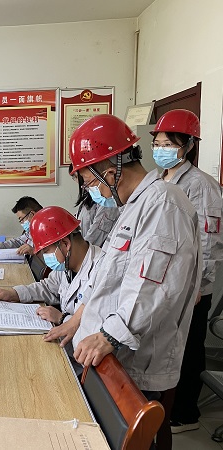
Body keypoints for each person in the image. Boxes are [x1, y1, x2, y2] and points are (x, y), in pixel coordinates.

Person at [69, 114, 201, 450]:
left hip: (131, 361)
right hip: (108, 356)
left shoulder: (164, 205)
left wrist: (109, 335)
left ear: (111, 171)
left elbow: (153, 287)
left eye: (89, 181)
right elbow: (110, 277)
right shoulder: (133, 206)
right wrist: (81, 320)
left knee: (132, 441)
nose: (90, 190)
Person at [149, 109, 223, 434]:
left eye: (168, 144)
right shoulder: (157, 179)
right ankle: (167, 404)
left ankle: (186, 413)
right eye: (157, 143)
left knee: (189, 348)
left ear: (189, 145)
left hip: (192, 288)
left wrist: (197, 285)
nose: (160, 149)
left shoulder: (201, 186)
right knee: (168, 348)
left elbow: (209, 242)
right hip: (163, 281)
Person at [0, 206, 101, 351]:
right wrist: (14, 294)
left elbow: (98, 331)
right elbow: (48, 287)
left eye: (46, 251)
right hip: (66, 344)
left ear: (65, 244)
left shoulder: (103, 271)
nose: (46, 257)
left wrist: (62, 318)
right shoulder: (68, 262)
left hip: (84, 356)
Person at [70, 163, 119, 248]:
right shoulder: (88, 198)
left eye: (76, 176)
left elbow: (98, 232)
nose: (77, 181)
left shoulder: (106, 200)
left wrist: (81, 249)